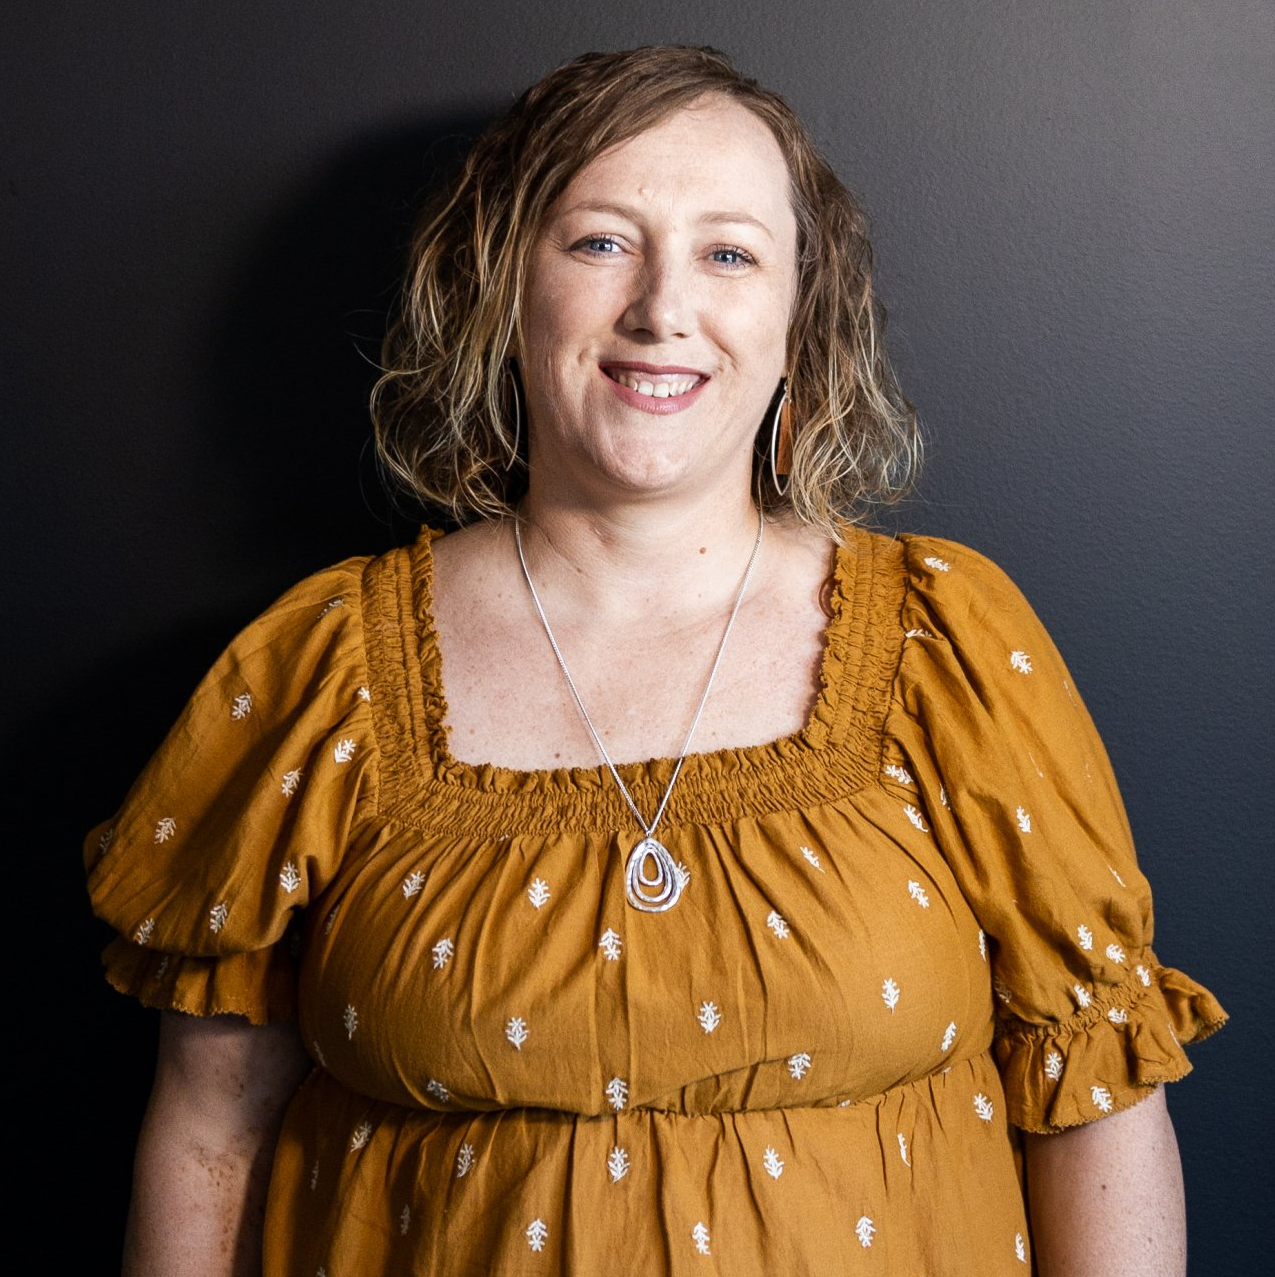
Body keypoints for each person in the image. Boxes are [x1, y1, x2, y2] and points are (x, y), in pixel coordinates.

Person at [86, 45, 1227, 1276]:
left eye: (729, 253)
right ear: (500, 287)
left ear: (801, 315)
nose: (662, 309)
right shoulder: (319, 674)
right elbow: (212, 1132)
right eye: (599, 243)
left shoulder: (949, 642)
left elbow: (1095, 1100)